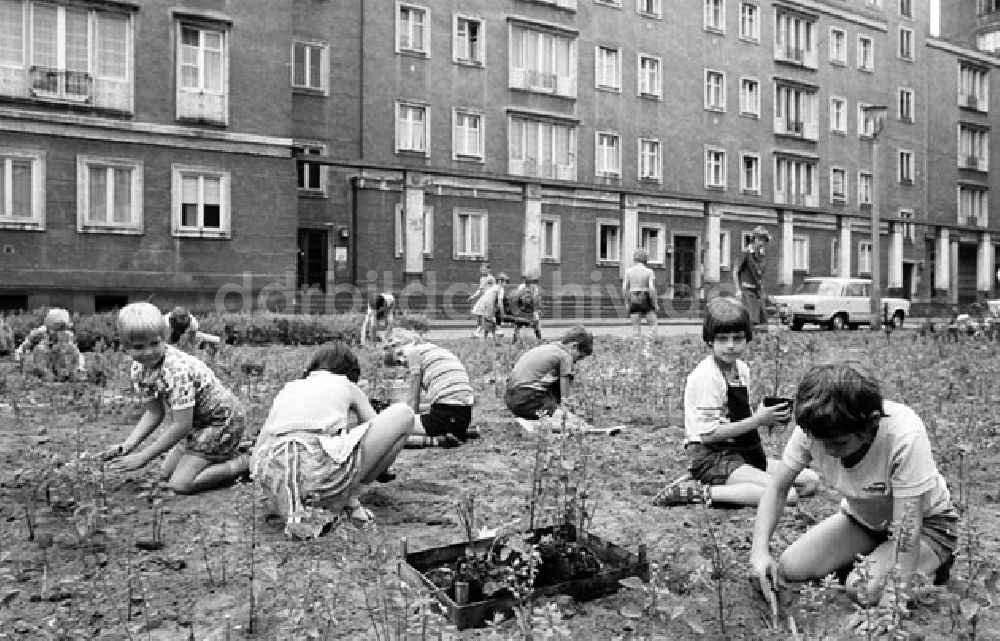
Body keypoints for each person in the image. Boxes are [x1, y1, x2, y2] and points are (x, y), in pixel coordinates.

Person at [751, 363, 958, 613]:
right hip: (865, 521)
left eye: (839, 443)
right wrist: (759, 552)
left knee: (863, 589)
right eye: (820, 441)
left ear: (870, 424)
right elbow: (777, 488)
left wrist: (893, 602)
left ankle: (934, 565)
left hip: (927, 526)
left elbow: (907, 527)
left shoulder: (904, 435)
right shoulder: (816, 426)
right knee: (791, 567)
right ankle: (879, 557)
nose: (827, 451)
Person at [252, 342, 413, 533]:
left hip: (275, 478)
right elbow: (376, 426)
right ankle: (348, 500)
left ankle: (296, 509)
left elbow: (255, 456)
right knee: (404, 415)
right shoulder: (346, 385)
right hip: (317, 475)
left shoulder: (290, 388)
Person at [672, 297, 818, 507]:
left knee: (810, 482)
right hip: (711, 457)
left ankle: (730, 487)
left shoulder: (741, 369)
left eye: (738, 338)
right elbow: (708, 435)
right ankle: (701, 491)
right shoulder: (708, 376)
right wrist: (757, 420)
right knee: (787, 495)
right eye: (722, 339)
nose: (730, 346)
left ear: (747, 339)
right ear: (710, 341)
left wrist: (765, 416)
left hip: (740, 452)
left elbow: (737, 414)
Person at [103, 303, 249, 494]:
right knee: (164, 474)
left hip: (222, 422)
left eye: (154, 343)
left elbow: (182, 425)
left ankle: (244, 462)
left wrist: (143, 457)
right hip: (198, 424)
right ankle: (218, 453)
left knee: (180, 484)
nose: (148, 352)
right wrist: (127, 445)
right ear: (125, 347)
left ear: (164, 338)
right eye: (139, 347)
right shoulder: (139, 369)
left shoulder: (175, 371)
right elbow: (154, 412)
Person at [382, 329, 476, 448]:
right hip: (462, 416)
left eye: (399, 360)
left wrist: (403, 417)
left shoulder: (412, 353)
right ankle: (459, 433)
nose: (403, 364)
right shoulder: (432, 350)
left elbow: (413, 400)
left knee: (391, 429)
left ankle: (437, 441)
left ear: (400, 345)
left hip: (447, 416)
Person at [504, 325, 593, 420]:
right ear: (574, 346)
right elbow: (565, 390)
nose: (576, 362)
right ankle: (555, 413)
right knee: (568, 418)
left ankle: (548, 411)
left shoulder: (550, 347)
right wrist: (567, 410)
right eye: (579, 357)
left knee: (552, 379)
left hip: (511, 398)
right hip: (527, 399)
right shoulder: (566, 356)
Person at [14, 307, 85, 380]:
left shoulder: (67, 335)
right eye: (60, 327)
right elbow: (22, 348)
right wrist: (20, 361)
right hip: (40, 368)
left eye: (62, 327)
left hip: (57, 366)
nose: (61, 330)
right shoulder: (38, 334)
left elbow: (77, 353)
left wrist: (80, 367)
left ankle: (63, 375)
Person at [734, 226, 771, 327]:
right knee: (751, 320)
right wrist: (738, 290)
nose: (763, 243)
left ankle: (760, 341)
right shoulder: (745, 253)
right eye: (761, 239)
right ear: (755, 239)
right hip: (747, 291)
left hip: (757, 292)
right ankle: (749, 340)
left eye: (765, 240)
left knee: (763, 321)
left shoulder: (761, 255)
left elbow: (759, 274)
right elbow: (736, 271)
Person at [623, 249, 658, 336]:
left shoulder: (628, 272)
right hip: (645, 297)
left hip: (633, 297)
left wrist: (626, 302)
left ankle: (636, 345)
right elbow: (652, 289)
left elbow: (624, 288)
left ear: (634, 258)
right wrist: (655, 303)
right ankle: (648, 344)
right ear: (645, 259)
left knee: (635, 328)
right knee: (653, 325)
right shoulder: (649, 272)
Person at [509, 271, 543, 341]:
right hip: (524, 309)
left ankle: (539, 338)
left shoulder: (533, 288)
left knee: (534, 323)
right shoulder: (523, 287)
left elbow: (537, 299)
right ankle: (538, 338)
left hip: (527, 309)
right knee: (518, 325)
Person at [468, 263, 496, 338]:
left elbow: (492, 289)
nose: (482, 270)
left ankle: (492, 331)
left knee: (487, 316)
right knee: (478, 313)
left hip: (488, 299)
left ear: (488, 269)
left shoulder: (491, 278)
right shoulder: (482, 279)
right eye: (481, 269)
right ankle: (479, 329)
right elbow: (480, 290)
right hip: (483, 298)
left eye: (484, 269)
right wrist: (473, 297)